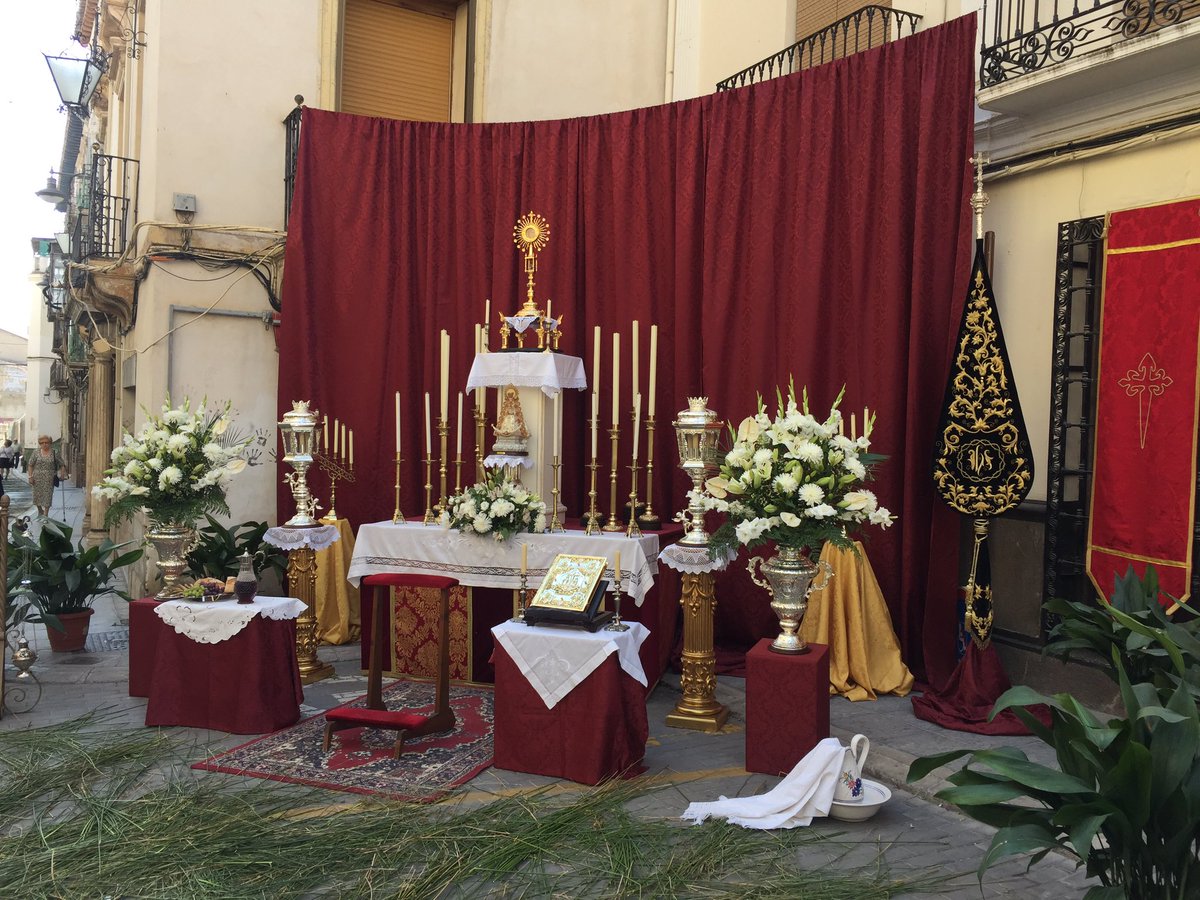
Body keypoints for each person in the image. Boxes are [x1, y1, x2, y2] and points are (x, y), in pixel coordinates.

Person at [26, 435, 67, 518]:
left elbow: (62, 464)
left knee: (48, 496)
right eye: (42, 443)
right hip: (37, 478)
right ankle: (40, 510)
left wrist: (62, 475)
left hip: (49, 478)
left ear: (50, 443)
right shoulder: (36, 452)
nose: (44, 444)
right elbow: (30, 465)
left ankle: (45, 514)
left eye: (46, 442)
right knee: (36, 496)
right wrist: (30, 477)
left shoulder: (54, 452)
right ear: (40, 444)